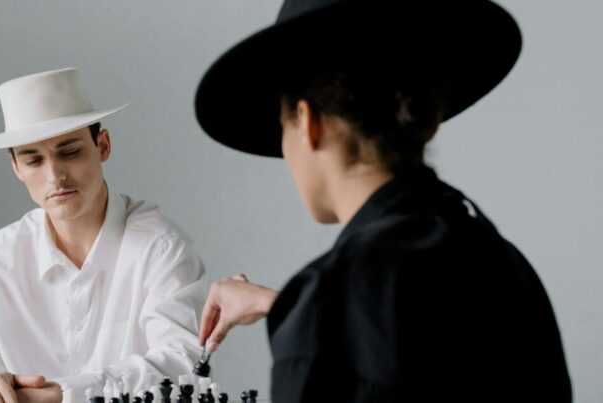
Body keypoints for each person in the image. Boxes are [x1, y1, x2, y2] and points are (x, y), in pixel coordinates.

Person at [193, 1, 571, 401]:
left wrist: (311, 313)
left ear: (307, 122)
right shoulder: (499, 259)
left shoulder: (333, 297)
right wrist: (293, 306)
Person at [0, 68, 206, 403]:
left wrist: (65, 394)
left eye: (70, 152)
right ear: (17, 168)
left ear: (102, 146)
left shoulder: (160, 247)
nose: (55, 177)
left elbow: (185, 363)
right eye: (33, 160)